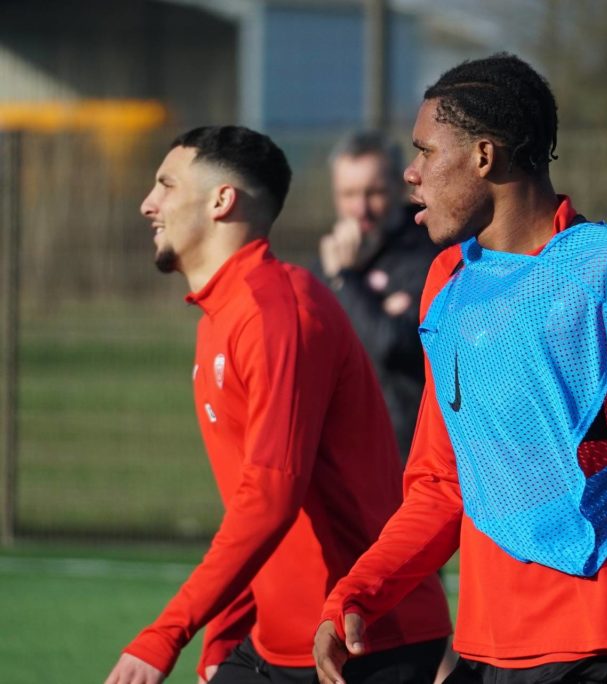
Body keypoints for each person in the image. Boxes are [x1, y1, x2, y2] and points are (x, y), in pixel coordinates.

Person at [314, 53, 607, 684]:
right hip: (485, 650)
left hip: (600, 648)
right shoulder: (448, 282)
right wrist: (356, 593)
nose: (411, 172)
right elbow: (440, 485)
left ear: (484, 157)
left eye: (426, 151)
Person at [104, 125, 451, 684]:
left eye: (166, 185)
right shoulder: (222, 317)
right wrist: (225, 629)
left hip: (363, 643)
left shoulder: (278, 312)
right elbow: (257, 505)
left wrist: (166, 633)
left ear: (221, 200)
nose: (149, 204)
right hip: (276, 642)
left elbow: (272, 497)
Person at [311, 131, 439, 462]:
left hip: (403, 448)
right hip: (339, 447)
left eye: (374, 193)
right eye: (349, 194)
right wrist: (375, 307)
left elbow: (389, 344)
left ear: (399, 187)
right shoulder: (325, 262)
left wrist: (346, 281)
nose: (361, 208)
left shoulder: (426, 253)